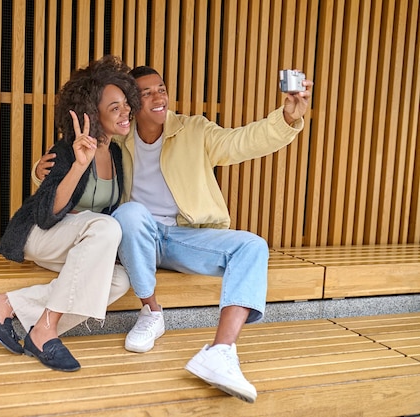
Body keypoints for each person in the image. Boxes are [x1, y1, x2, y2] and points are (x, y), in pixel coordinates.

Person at [34, 66, 313, 399]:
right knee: (131, 213)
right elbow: (78, 173)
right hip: (137, 237)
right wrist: (40, 175)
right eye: (147, 93)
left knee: (252, 247)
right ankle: (152, 312)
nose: (158, 97)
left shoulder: (194, 130)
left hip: (185, 236)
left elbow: (243, 141)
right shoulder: (118, 136)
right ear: (132, 103)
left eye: (161, 89)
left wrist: (286, 118)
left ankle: (221, 351)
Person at [0, 55, 141, 372]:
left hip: (79, 243)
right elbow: (46, 214)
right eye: (114, 107)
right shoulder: (67, 150)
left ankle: (6, 304)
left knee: (118, 282)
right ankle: (45, 330)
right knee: (106, 228)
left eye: (125, 104)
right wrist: (80, 165)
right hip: (43, 235)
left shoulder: (118, 154)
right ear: (92, 113)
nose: (125, 113)